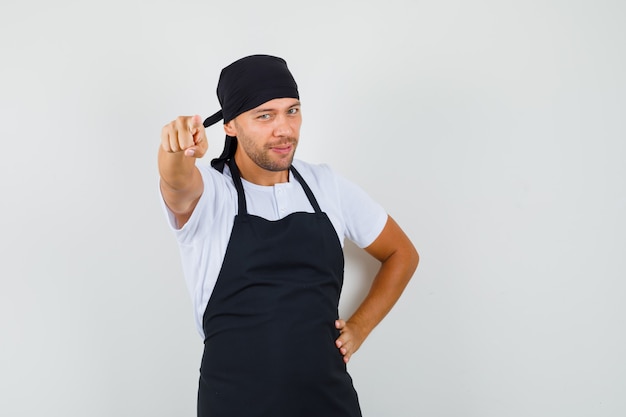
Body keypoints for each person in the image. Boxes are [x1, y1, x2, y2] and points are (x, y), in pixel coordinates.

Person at [158, 54, 419, 417]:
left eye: (292, 111)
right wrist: (175, 151)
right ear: (230, 125)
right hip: (233, 405)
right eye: (265, 115)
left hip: (330, 403)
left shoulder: (326, 186)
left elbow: (402, 253)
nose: (284, 129)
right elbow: (176, 182)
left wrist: (359, 327)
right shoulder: (212, 195)